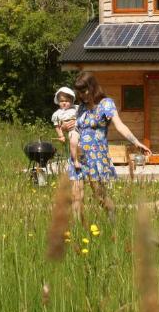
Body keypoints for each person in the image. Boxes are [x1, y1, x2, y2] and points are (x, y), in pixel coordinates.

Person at [62, 72, 150, 210]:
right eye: (79, 92)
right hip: (78, 158)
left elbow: (119, 125)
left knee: (100, 196)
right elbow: (76, 129)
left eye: (84, 91)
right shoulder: (81, 108)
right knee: (76, 197)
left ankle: (112, 220)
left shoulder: (106, 104)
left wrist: (136, 142)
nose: (82, 95)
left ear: (92, 87)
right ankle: (78, 230)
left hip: (96, 157)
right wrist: (64, 127)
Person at [51, 86, 81, 171]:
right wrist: (61, 136)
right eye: (61, 101)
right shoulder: (57, 114)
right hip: (73, 130)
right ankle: (75, 161)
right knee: (73, 140)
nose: (64, 103)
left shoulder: (76, 108)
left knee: (80, 146)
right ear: (58, 102)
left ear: (72, 101)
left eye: (67, 101)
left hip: (82, 128)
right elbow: (57, 126)